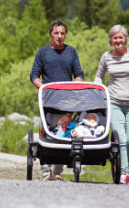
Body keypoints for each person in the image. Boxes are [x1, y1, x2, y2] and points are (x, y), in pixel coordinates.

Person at [94, 24, 129, 184]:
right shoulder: (106, 57)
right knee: (122, 139)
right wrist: (97, 91)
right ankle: (124, 173)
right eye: (115, 37)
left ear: (125, 39)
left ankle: (125, 169)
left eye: (121, 37)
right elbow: (99, 77)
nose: (118, 40)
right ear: (110, 40)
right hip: (114, 102)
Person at [30, 20, 84, 180]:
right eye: (56, 33)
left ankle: (57, 172)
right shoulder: (42, 52)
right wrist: (43, 89)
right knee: (46, 134)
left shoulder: (71, 52)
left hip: (67, 101)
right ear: (50, 34)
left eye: (62, 33)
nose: (59, 36)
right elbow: (34, 75)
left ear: (65, 34)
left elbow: (79, 73)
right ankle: (46, 172)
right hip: (48, 101)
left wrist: (78, 82)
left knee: (63, 134)